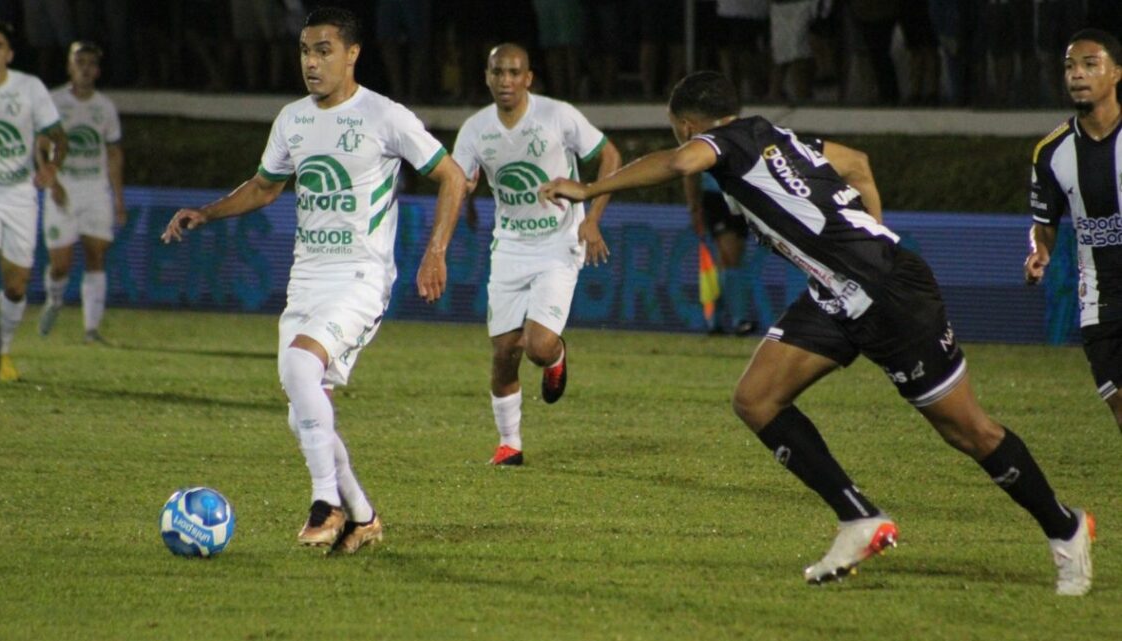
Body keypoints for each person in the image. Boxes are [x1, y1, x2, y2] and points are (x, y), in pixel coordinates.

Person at [540, 71, 1094, 595]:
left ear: (686, 123)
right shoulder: (775, 135)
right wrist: (877, 231)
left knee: (967, 431)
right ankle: (858, 517)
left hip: (888, 294)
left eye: (679, 129)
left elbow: (680, 162)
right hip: (838, 294)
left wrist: (588, 190)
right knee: (756, 399)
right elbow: (858, 163)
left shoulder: (724, 141)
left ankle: (1064, 527)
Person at [161, 6, 465, 553]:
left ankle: (325, 505)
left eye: (324, 50)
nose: (311, 62)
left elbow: (453, 176)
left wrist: (435, 252)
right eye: (305, 50)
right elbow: (263, 186)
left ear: (352, 55)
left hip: (361, 274)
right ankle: (364, 517)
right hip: (307, 277)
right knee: (302, 410)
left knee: (302, 367)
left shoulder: (385, 116)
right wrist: (207, 211)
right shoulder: (293, 120)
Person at [452, 43, 621, 466]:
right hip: (509, 245)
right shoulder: (475, 129)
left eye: (514, 73)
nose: (506, 81)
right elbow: (459, 180)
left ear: (528, 78)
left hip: (559, 244)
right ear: (487, 77)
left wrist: (592, 217)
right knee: (504, 350)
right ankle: (510, 444)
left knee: (537, 346)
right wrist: (462, 191)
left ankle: (556, 356)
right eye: (498, 73)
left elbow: (610, 156)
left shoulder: (557, 115)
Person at [1026, 29, 1122, 437]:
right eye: (1069, 66)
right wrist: (1039, 252)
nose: (1077, 75)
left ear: (1116, 73)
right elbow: (1043, 225)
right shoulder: (1051, 151)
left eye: (1089, 64)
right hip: (1099, 299)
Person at [0, 19, 68, 382]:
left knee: (15, 286)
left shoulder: (30, 88)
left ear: (10, 54)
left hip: (19, 195)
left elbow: (58, 136)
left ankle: (1, 349)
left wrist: (51, 167)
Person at [38, 41, 125, 345]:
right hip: (63, 188)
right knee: (61, 264)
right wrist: (54, 183)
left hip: (95, 191)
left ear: (97, 70)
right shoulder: (53, 102)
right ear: (69, 67)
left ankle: (91, 330)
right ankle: (55, 298)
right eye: (79, 62)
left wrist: (118, 200)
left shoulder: (105, 108)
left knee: (95, 253)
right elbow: (41, 147)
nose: (85, 68)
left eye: (90, 63)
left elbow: (114, 154)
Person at [683, 171, 755, 335]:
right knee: (729, 258)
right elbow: (690, 171)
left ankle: (714, 322)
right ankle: (739, 320)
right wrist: (693, 205)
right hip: (717, 198)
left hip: (742, 197)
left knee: (730, 261)